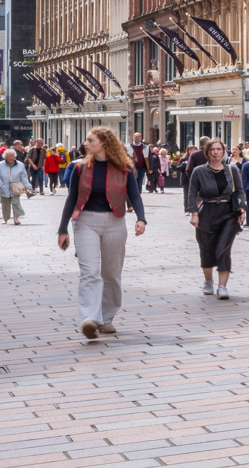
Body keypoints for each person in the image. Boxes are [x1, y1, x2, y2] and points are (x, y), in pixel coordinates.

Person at [56, 126, 147, 342]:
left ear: (104, 143)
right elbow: (71, 199)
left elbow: (134, 196)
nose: (85, 144)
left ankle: (107, 318)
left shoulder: (124, 169)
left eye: (90, 140)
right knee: (89, 272)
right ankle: (90, 319)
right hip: (85, 221)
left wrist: (141, 219)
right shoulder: (79, 168)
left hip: (115, 222)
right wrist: (62, 229)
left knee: (111, 273)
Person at [184, 138, 246, 299]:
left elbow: (239, 191)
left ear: (223, 151)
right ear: (207, 152)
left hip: (228, 213)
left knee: (223, 249)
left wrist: (242, 208)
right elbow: (192, 193)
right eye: (212, 149)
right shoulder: (199, 171)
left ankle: (222, 287)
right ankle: (208, 281)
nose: (216, 152)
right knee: (206, 250)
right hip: (207, 212)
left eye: (219, 149)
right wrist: (194, 213)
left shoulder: (231, 169)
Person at [0, 148, 30, 224]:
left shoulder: (20, 165)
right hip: (4, 187)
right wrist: (1, 184)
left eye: (12, 156)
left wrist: (28, 186)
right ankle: (5, 218)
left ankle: (16, 218)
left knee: (16, 202)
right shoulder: (0, 165)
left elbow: (24, 177)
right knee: (5, 203)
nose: (11, 158)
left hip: (16, 187)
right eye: (9, 156)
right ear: (5, 157)